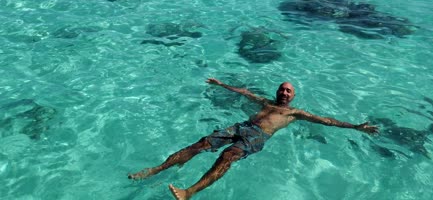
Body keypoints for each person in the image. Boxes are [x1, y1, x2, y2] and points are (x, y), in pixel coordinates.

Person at [128, 78, 379, 200]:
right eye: (282, 88)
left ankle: (189, 192)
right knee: (201, 144)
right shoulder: (265, 102)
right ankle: (157, 169)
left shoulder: (296, 113)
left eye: (288, 90)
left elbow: (327, 121)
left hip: (257, 137)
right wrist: (221, 84)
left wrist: (357, 127)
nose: (284, 92)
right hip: (242, 126)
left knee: (226, 157)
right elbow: (245, 92)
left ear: (293, 96)